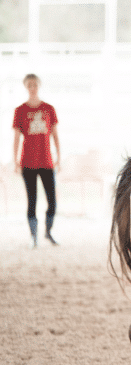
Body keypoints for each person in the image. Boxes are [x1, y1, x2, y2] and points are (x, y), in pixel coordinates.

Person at [12, 74, 61, 247]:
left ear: (39, 86)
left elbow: (55, 136)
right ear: (26, 87)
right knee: (32, 200)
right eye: (29, 85)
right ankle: (34, 235)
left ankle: (48, 231)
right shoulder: (20, 110)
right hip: (28, 162)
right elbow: (17, 138)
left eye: (35, 84)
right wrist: (15, 160)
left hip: (46, 161)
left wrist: (59, 158)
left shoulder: (49, 109)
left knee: (52, 201)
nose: (32, 87)